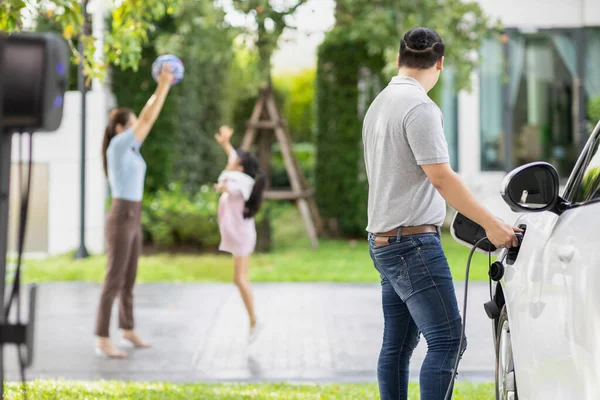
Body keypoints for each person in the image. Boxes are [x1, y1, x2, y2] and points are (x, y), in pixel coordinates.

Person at [362, 27, 522, 400]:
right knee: (448, 340)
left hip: (384, 243)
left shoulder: (380, 103)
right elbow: (441, 178)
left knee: (397, 346)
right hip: (412, 245)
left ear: (399, 59)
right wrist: (491, 223)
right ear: (440, 64)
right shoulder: (420, 108)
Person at [95, 65, 176, 358]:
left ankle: (127, 328)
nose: (136, 129)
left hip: (134, 213)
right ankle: (103, 338)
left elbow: (146, 121)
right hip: (121, 215)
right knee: (113, 278)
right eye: (131, 125)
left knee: (129, 277)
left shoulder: (131, 151)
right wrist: (163, 85)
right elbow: (148, 117)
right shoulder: (118, 146)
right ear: (120, 129)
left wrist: (164, 88)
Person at [213, 125, 267, 343]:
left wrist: (224, 189)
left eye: (235, 161)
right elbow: (232, 157)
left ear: (240, 167)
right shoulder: (238, 175)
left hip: (242, 237)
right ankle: (254, 319)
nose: (231, 161)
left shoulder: (240, 183)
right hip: (241, 234)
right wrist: (226, 143)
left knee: (240, 279)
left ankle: (254, 319)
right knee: (240, 279)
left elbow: (233, 189)